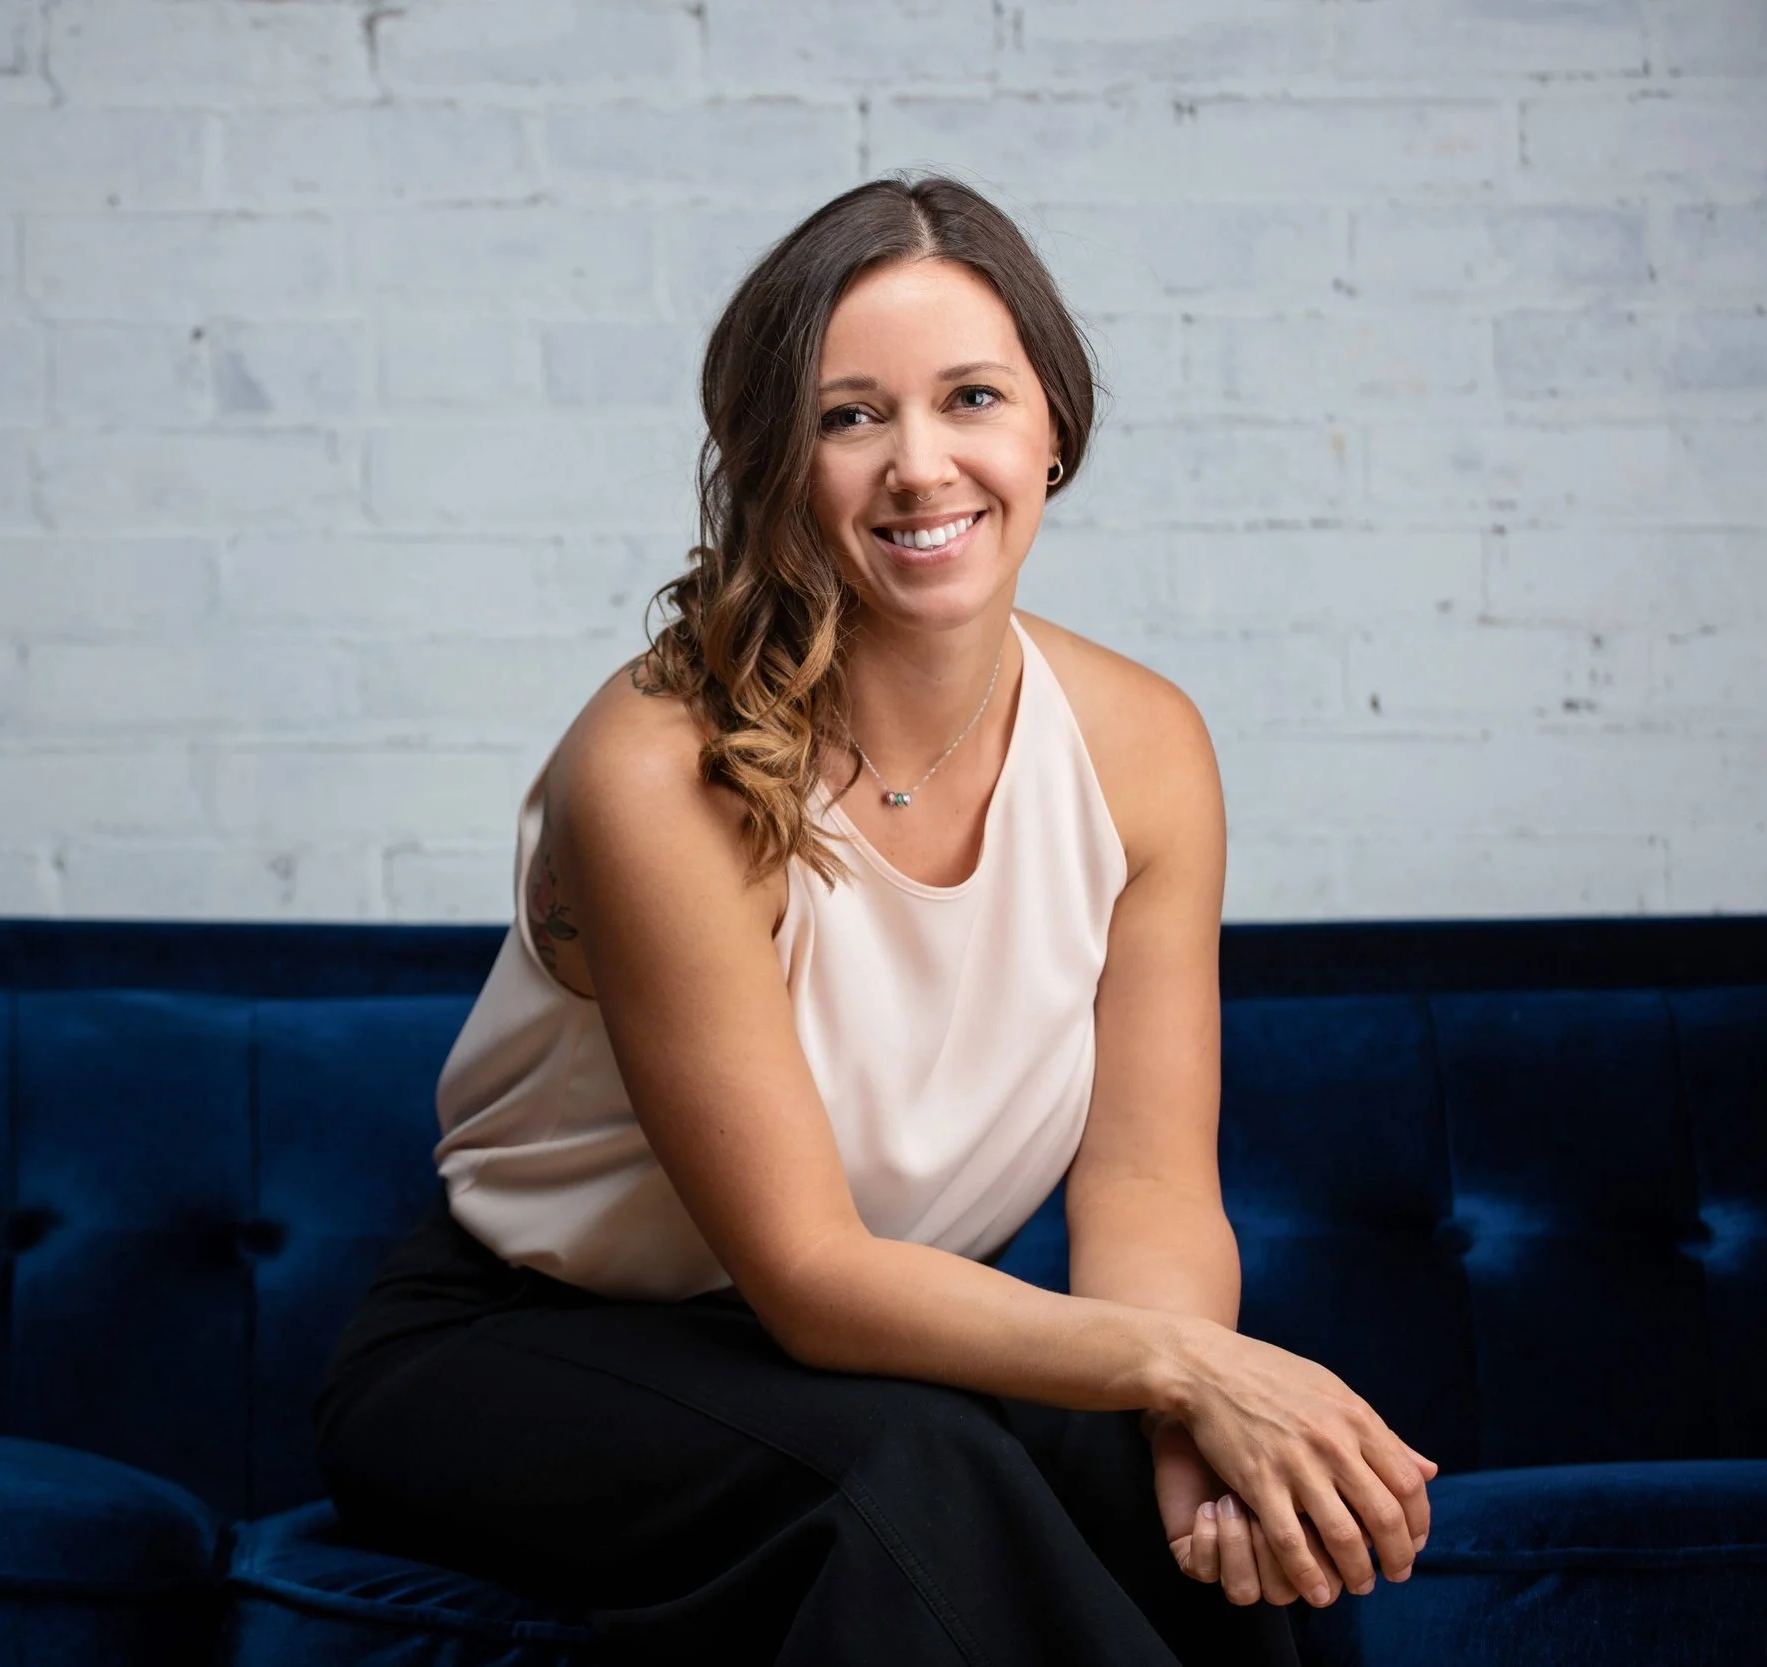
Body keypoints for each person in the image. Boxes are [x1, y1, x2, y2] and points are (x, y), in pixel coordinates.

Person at [314, 173, 1437, 1666]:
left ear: (1053, 429)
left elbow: (1152, 1193)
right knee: (916, 1473)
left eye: (972, 396)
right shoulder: (656, 767)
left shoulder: (1144, 746)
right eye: (851, 417)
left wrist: (1188, 1418)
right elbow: (811, 1275)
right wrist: (1187, 1363)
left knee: (1216, 1519)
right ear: (776, 461)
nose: (922, 465)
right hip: (505, 1350)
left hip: (848, 1367)